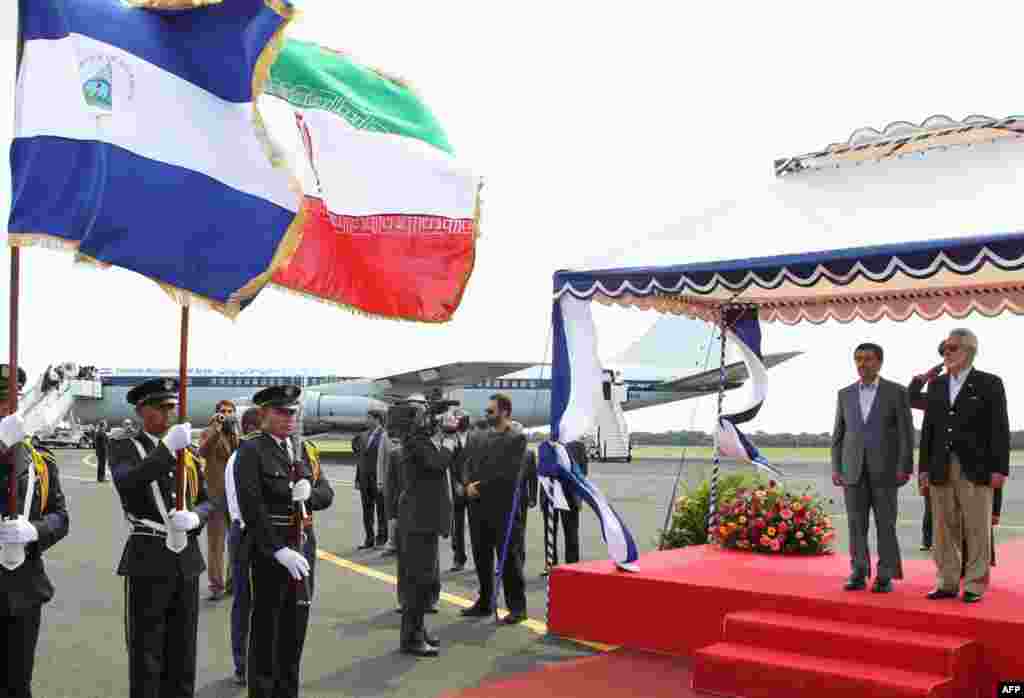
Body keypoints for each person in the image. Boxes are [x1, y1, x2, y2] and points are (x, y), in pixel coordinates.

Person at [110, 378, 211, 698]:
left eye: (172, 407)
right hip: (149, 555)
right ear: (141, 410)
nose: (168, 413)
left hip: (186, 558)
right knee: (147, 652)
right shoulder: (125, 447)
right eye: (160, 407)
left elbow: (208, 499)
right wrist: (166, 449)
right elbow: (129, 482)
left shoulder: (189, 451)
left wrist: (197, 517)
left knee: (183, 651)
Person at [234, 385, 334, 697]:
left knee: (295, 629)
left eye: (293, 412)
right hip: (270, 552)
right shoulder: (251, 450)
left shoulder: (302, 450)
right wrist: (278, 550)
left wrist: (310, 494)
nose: (290, 418)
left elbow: (326, 494)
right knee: (267, 631)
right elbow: (252, 508)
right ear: (263, 414)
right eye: (282, 412)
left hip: (303, 547)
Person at [919, 328, 1009, 603]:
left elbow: (999, 429)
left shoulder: (990, 383)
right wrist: (923, 469)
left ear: (970, 350)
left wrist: (999, 469)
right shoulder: (936, 385)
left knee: (977, 528)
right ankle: (947, 581)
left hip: (976, 468)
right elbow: (929, 430)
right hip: (940, 466)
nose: (947, 353)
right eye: (945, 348)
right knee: (943, 528)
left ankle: (974, 584)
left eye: (953, 348)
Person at [0, 365, 70, 698]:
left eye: (11, 403)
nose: (7, 411)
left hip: (25, 588)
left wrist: (35, 530)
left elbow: (61, 518)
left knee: (19, 684)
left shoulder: (41, 459)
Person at [830, 343, 914, 593]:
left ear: (879, 362)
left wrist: (904, 466)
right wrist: (837, 467)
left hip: (886, 471)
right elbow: (839, 434)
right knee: (856, 524)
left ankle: (885, 574)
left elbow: (906, 434)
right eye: (857, 359)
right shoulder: (844, 394)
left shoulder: (897, 392)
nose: (861, 364)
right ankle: (858, 571)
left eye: (867, 359)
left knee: (885, 524)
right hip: (852, 470)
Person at [462, 394, 528, 623]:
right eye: (486, 411)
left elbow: (509, 474)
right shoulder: (480, 436)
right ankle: (485, 602)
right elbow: (468, 463)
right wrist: (467, 484)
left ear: (505, 412)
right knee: (481, 557)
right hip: (478, 506)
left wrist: (479, 486)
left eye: (491, 411)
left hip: (503, 508)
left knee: (508, 559)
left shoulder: (516, 438)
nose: (486, 415)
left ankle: (517, 607)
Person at [394, 402, 454, 656]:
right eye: (423, 415)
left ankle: (418, 631)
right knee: (417, 582)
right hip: (418, 521)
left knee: (423, 580)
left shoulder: (418, 440)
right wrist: (449, 443)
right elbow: (438, 464)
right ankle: (412, 638)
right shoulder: (416, 442)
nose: (428, 419)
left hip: (422, 520)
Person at [223, 406, 262, 686]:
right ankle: (243, 665)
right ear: (250, 429)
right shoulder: (240, 459)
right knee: (245, 603)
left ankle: (258, 661)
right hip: (247, 535)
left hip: (256, 534)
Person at [199, 399, 239, 601]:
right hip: (215, 495)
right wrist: (216, 429)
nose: (226, 414)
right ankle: (216, 585)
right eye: (222, 411)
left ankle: (234, 582)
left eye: (230, 411)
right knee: (216, 544)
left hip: (234, 498)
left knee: (236, 542)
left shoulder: (235, 433)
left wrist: (233, 431)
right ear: (216, 414)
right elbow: (203, 451)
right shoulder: (209, 431)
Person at [541, 439, 586, 575]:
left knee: (571, 533)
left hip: (570, 496)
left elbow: (582, 471)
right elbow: (541, 470)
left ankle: (572, 566)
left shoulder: (577, 446)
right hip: (550, 494)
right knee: (549, 532)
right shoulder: (546, 445)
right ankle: (551, 565)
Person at [356, 410, 391, 549]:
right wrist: (358, 479)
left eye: (369, 418)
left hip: (379, 479)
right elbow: (360, 459)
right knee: (367, 511)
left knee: (381, 511)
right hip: (365, 479)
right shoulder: (364, 435)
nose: (366, 420)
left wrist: (384, 479)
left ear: (377, 419)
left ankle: (381, 539)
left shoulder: (385, 435)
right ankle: (369, 539)